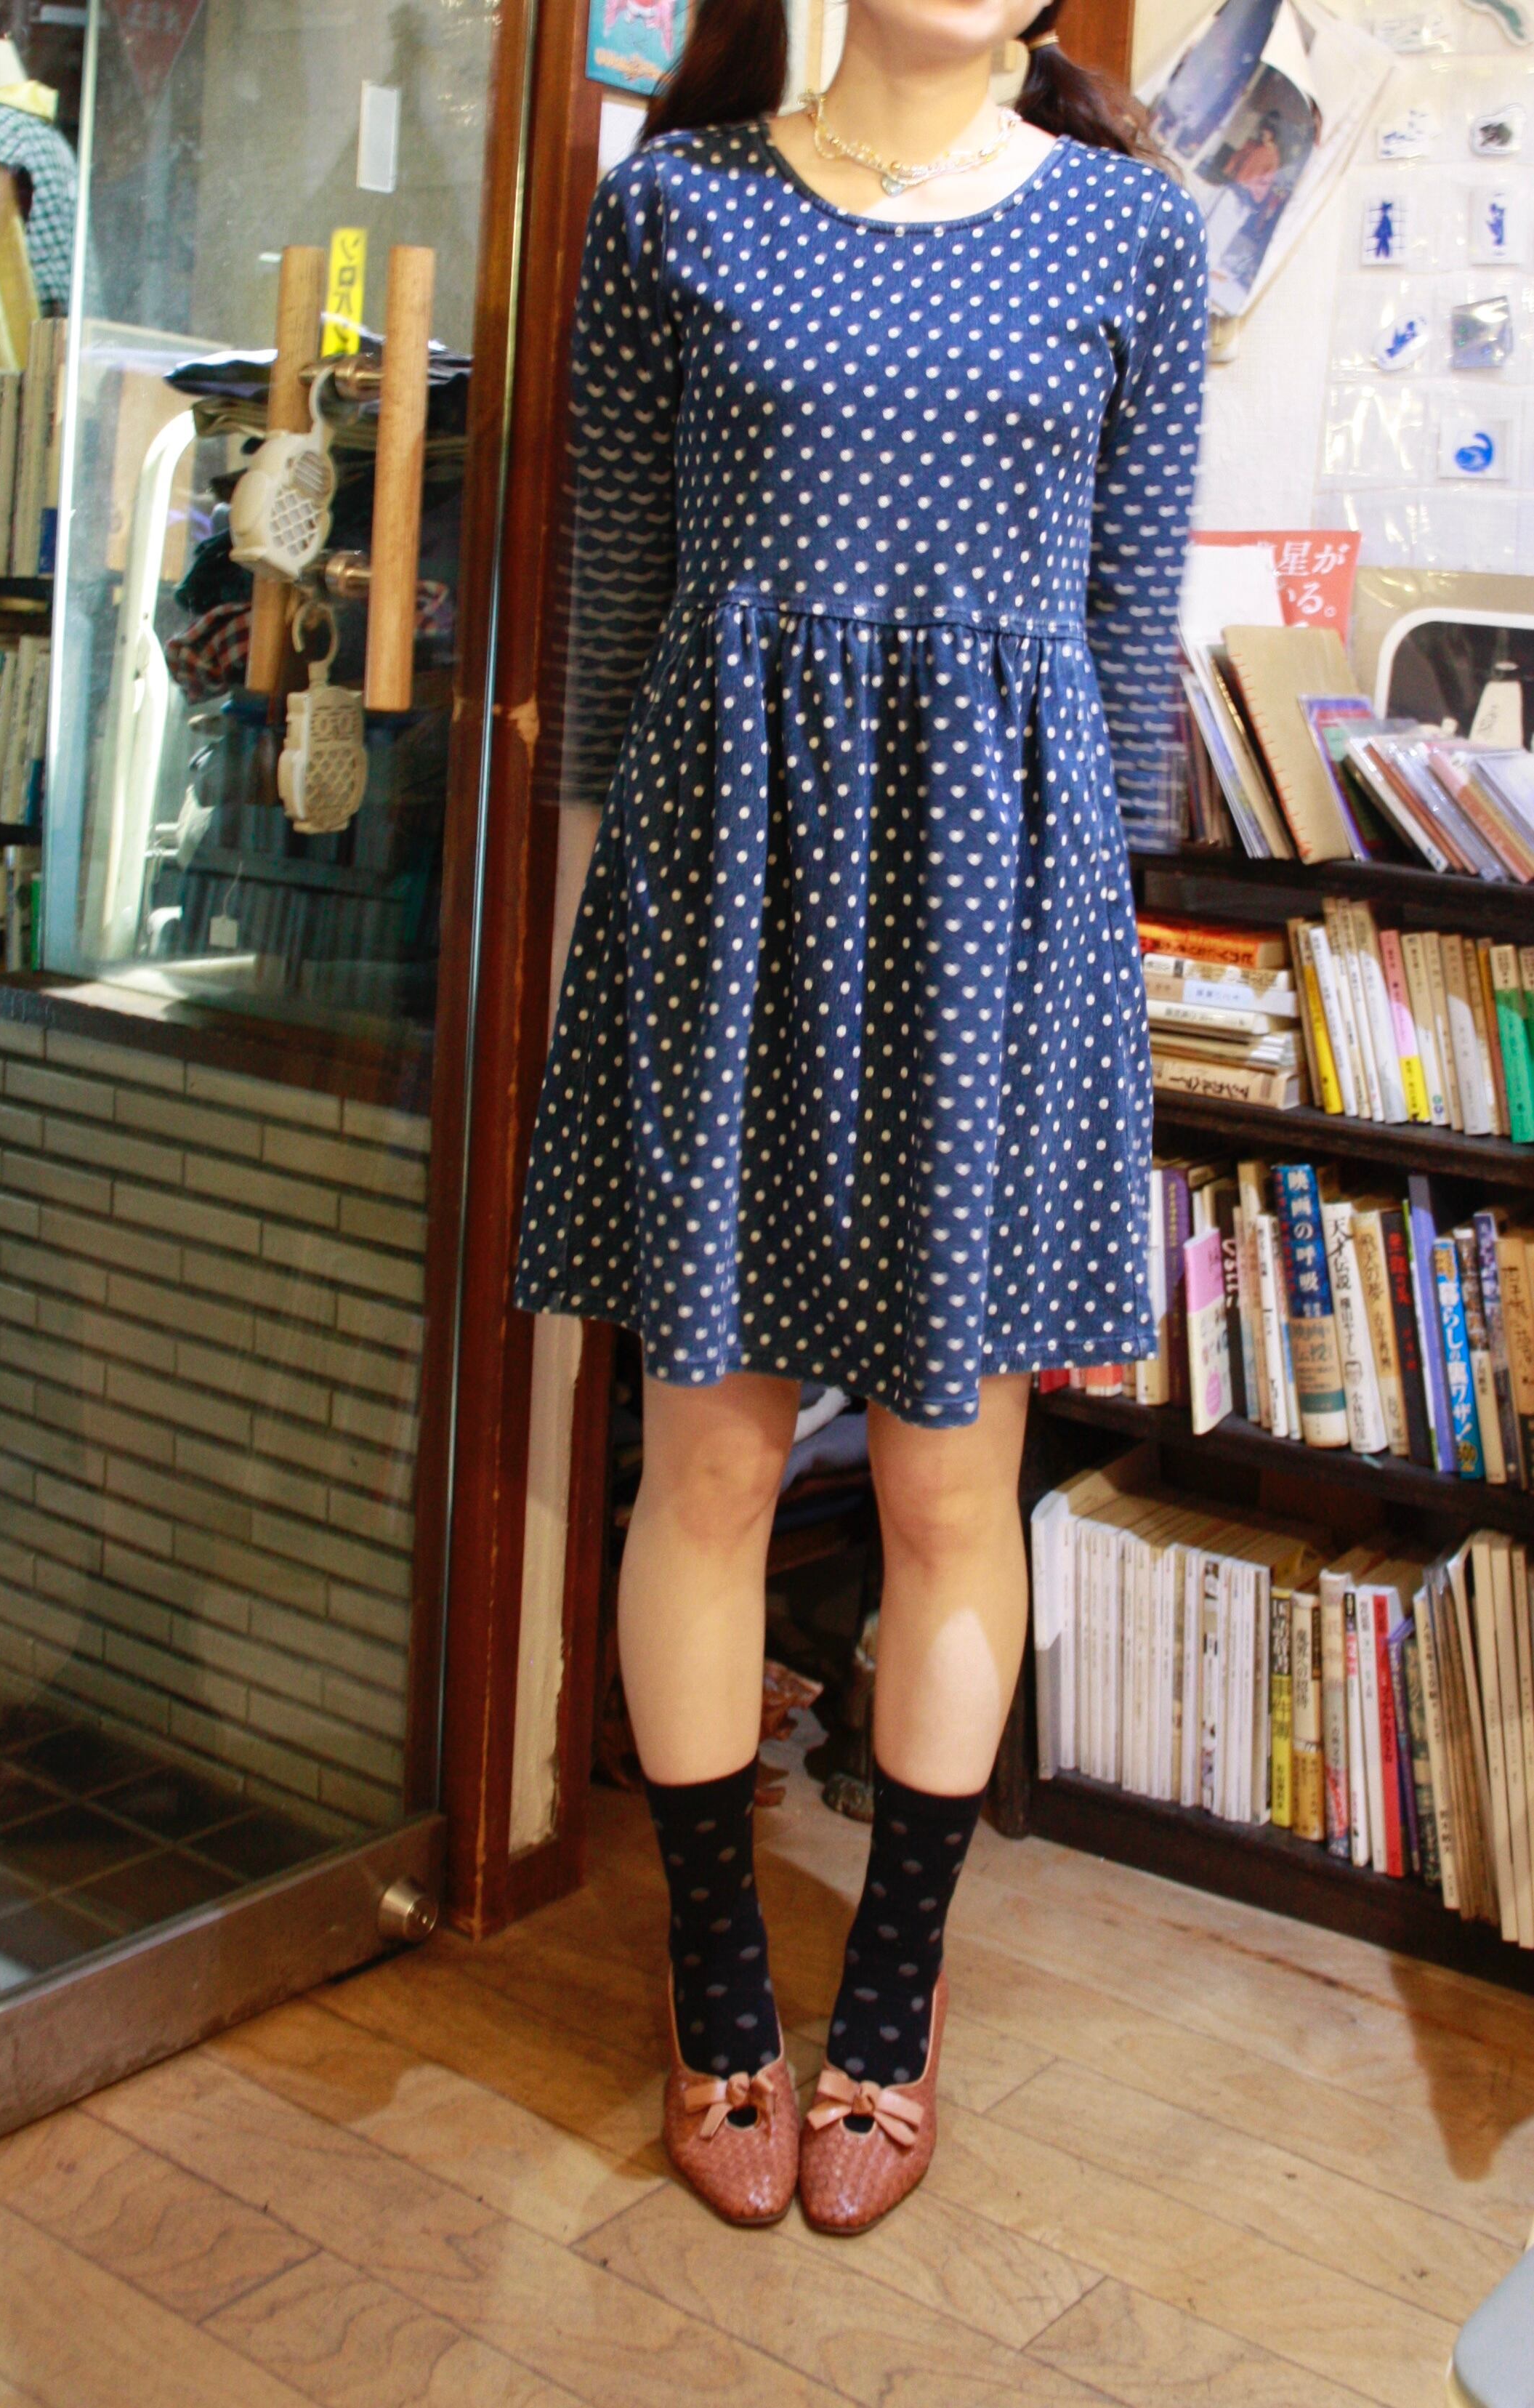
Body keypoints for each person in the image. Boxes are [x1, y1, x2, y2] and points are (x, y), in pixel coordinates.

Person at [514, 0, 1209, 2233]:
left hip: (995, 920)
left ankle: (888, 2005)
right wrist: (599, 965)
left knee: (941, 1483)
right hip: (720, 898)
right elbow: (613, 612)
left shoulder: (1129, 232)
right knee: (709, 1464)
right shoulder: (675, 209)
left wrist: (1083, 997)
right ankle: (719, 1981)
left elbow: (1124, 646)